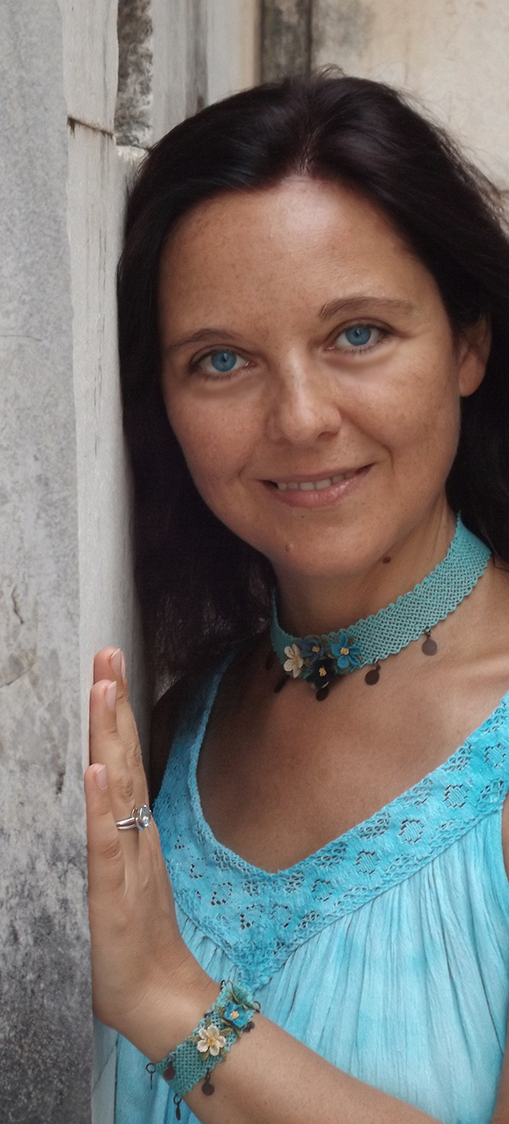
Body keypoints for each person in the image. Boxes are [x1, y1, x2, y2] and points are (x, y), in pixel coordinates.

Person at [84, 73, 509, 1124]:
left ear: (468, 341)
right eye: (221, 359)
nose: (302, 417)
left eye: (356, 334)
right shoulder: (173, 732)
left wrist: (167, 996)